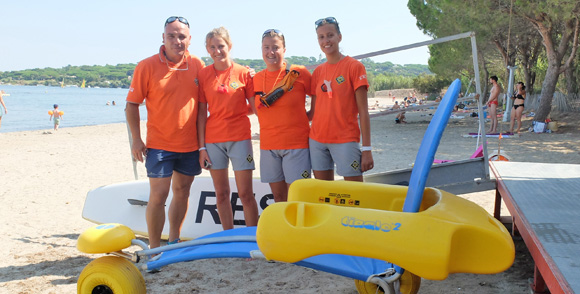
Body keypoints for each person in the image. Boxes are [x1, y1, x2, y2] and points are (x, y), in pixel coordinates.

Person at [126, 16, 205, 249]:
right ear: (163, 38)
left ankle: (174, 239)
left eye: (182, 36)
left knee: (182, 193)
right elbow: (131, 105)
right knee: (158, 196)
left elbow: (206, 103)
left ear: (189, 39)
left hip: (190, 145)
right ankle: (154, 248)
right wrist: (137, 140)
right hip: (159, 144)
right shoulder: (146, 66)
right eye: (171, 36)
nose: (177, 41)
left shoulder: (198, 65)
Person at [197, 27, 259, 230]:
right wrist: (201, 148)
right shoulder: (204, 75)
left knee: (245, 194)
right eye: (212, 47)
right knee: (221, 194)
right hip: (213, 141)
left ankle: (252, 239)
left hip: (240, 138)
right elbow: (201, 114)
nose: (217, 51)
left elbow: (256, 107)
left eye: (221, 46)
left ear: (229, 46)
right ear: (207, 49)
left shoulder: (243, 73)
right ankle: (227, 237)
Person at [309, 17, 374, 182]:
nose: (326, 41)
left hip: (345, 140)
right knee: (324, 195)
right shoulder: (317, 72)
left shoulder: (354, 66)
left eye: (330, 35)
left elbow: (363, 113)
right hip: (317, 141)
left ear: (339, 37)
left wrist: (367, 149)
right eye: (321, 37)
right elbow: (314, 112)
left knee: (355, 196)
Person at [253, 29, 313, 202]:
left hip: (296, 145)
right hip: (268, 146)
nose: (270, 52)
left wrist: (310, 115)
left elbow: (318, 94)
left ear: (284, 49)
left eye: (275, 47)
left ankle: (299, 230)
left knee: (297, 197)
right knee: (279, 197)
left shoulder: (298, 73)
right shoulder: (256, 78)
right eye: (266, 47)